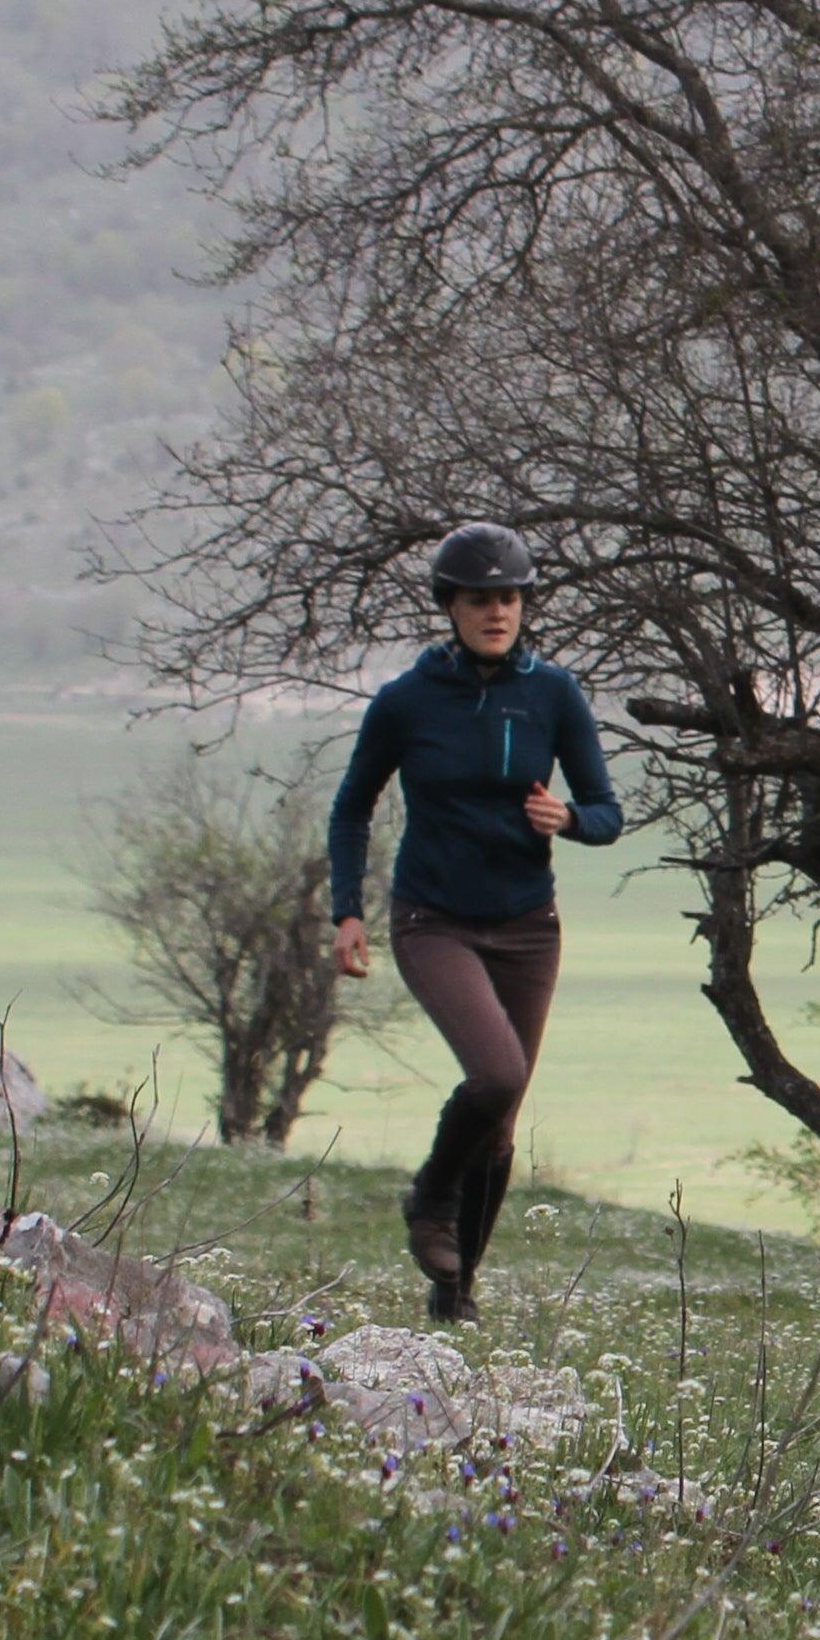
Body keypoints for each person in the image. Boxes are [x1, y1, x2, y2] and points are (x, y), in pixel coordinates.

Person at [328, 523, 621, 1323]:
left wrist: (569, 819)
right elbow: (353, 806)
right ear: (449, 606)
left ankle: (454, 1291)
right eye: (480, 599)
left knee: (500, 1121)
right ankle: (430, 1200)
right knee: (496, 1074)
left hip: (528, 925)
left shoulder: (553, 694)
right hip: (434, 918)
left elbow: (607, 812)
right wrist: (346, 911)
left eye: (509, 598)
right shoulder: (405, 702)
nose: (497, 612)